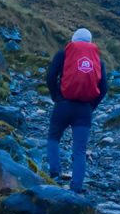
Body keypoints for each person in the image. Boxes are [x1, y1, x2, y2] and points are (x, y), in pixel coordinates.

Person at [46, 28, 107, 193]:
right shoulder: (98, 60)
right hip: (84, 110)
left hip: (63, 105)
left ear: (73, 40)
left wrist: (56, 96)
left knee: (53, 138)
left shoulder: (63, 54)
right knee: (79, 149)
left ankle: (54, 174)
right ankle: (76, 187)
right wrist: (91, 106)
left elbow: (50, 76)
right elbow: (104, 88)